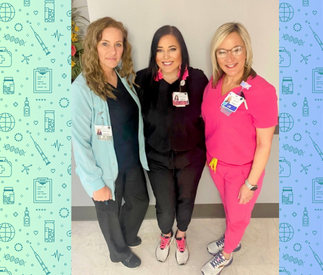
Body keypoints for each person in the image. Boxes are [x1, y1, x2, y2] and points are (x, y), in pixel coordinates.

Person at [71, 17, 149, 269]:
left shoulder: (123, 79)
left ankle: (125, 236)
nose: (113, 51)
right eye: (105, 44)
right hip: (105, 168)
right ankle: (119, 251)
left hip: (130, 161)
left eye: (118, 44)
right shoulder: (81, 89)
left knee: (139, 202)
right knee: (109, 213)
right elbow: (80, 141)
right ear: (94, 46)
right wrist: (95, 182)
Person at [201, 22, 277, 275]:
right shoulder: (213, 84)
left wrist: (251, 183)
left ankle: (226, 255)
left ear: (247, 51)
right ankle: (232, 238)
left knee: (237, 217)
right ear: (215, 54)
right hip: (215, 164)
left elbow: (265, 143)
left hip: (242, 172)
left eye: (236, 49)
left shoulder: (262, 91)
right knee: (229, 209)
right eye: (222, 51)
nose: (230, 58)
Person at [135, 25, 208, 265]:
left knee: (185, 203)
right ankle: (166, 233)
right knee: (165, 209)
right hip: (157, 158)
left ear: (182, 52)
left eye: (172, 49)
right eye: (160, 50)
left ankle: (181, 235)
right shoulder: (143, 79)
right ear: (154, 54)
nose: (166, 56)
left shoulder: (197, 79)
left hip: (191, 157)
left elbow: (210, 117)